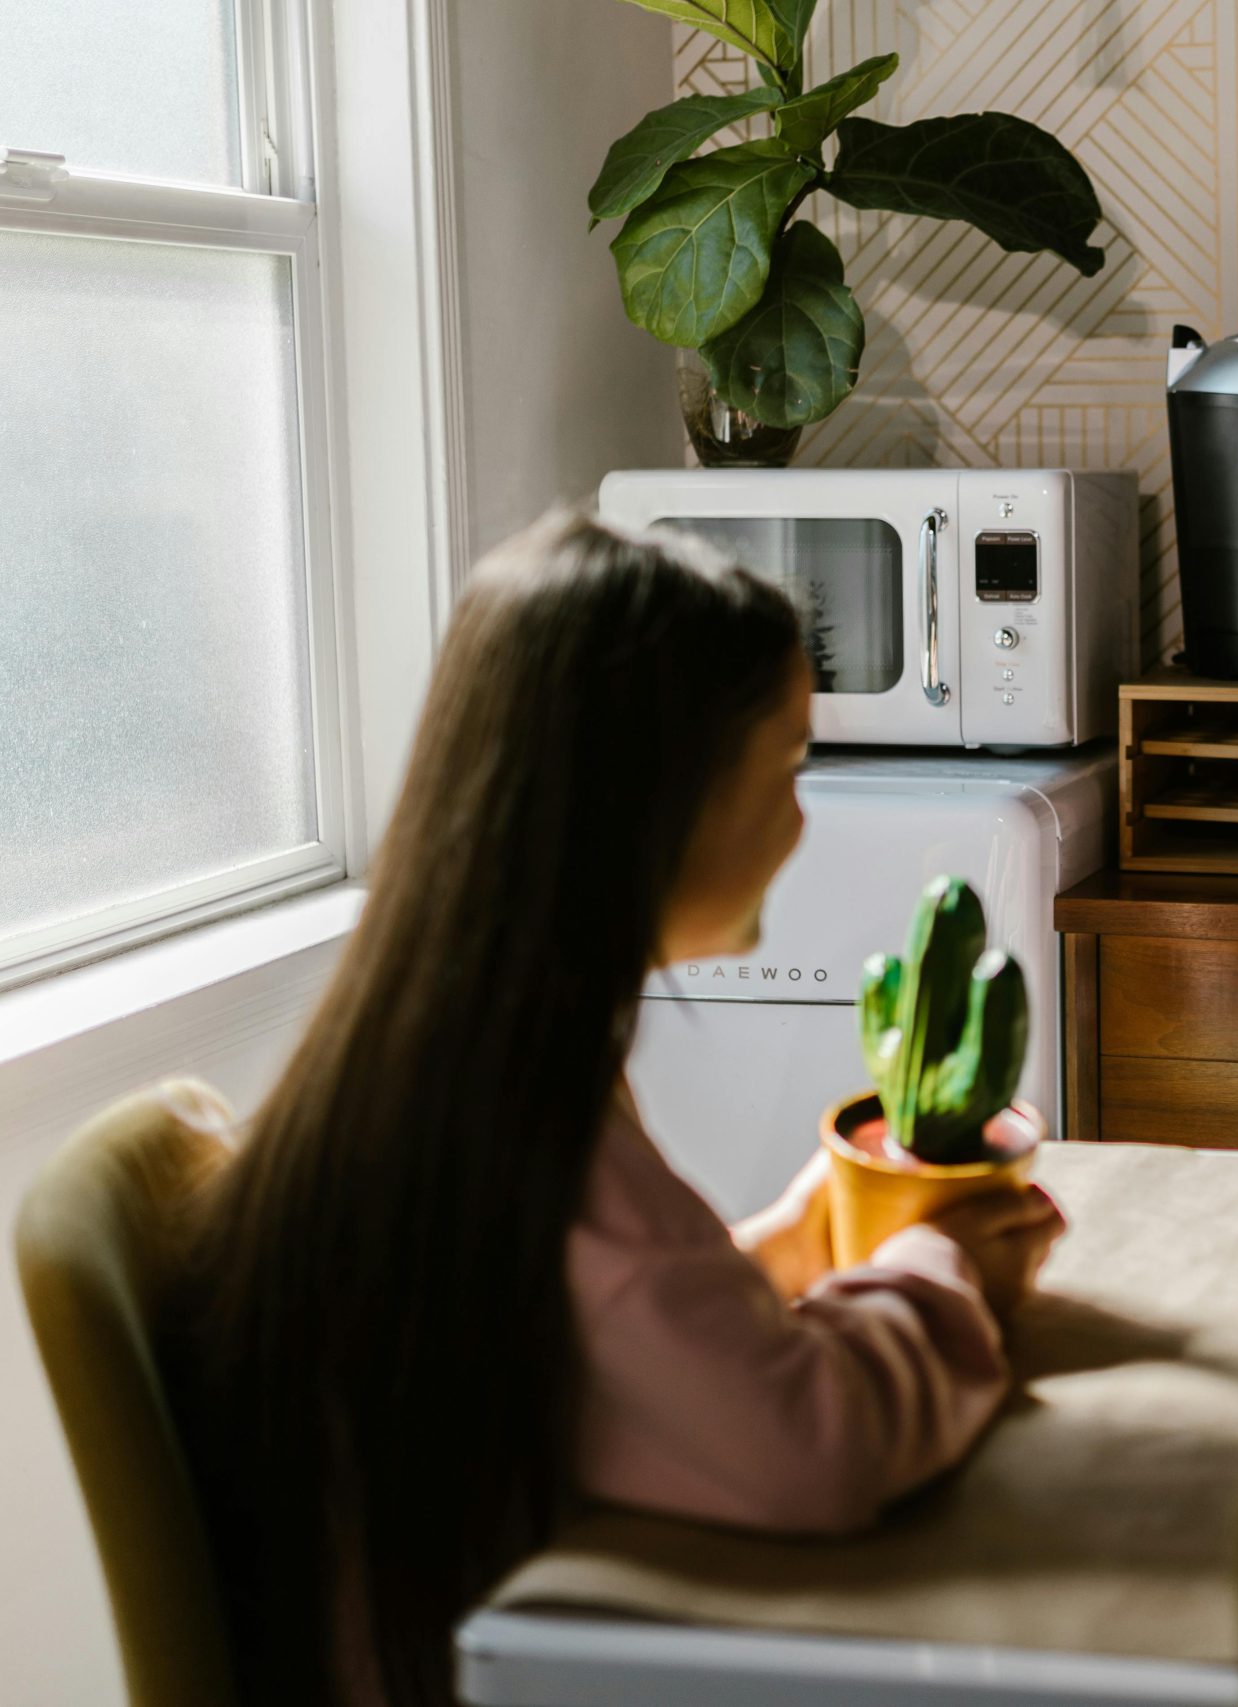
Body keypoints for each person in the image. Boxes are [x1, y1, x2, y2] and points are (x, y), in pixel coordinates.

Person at [174, 511, 1064, 1707]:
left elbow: (610, 1353)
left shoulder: (438, 1059)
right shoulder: (531, 1124)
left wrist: (791, 1245)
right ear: (654, 798)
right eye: (788, 768)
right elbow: (811, 1449)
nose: (802, 822)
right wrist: (934, 1273)